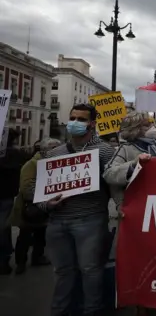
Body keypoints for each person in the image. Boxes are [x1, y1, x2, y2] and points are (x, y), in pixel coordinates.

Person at [103, 112, 156, 315]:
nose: (152, 127)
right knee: (142, 260)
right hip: (139, 214)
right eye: (146, 124)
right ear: (136, 129)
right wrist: (134, 165)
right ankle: (142, 303)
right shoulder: (126, 149)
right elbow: (109, 173)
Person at [34, 103, 115, 316]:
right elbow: (38, 189)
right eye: (72, 118)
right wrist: (46, 204)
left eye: (81, 119)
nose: (75, 123)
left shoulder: (105, 151)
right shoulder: (54, 153)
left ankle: (92, 311)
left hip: (90, 220)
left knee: (90, 271)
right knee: (62, 272)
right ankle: (59, 311)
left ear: (92, 124)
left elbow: (116, 181)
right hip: (57, 222)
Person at [10, 137, 61, 275]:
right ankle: (21, 262)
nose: (57, 151)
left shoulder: (53, 163)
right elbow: (27, 188)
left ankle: (37, 257)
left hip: (44, 208)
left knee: (41, 235)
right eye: (53, 149)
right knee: (25, 236)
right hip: (30, 207)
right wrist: (45, 197)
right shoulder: (32, 164)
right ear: (44, 150)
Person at [0, 128, 31, 275]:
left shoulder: (10, 154)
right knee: (3, 227)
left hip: (5, 194)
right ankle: (4, 259)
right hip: (8, 194)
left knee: (3, 228)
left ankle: (4, 258)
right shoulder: (19, 154)